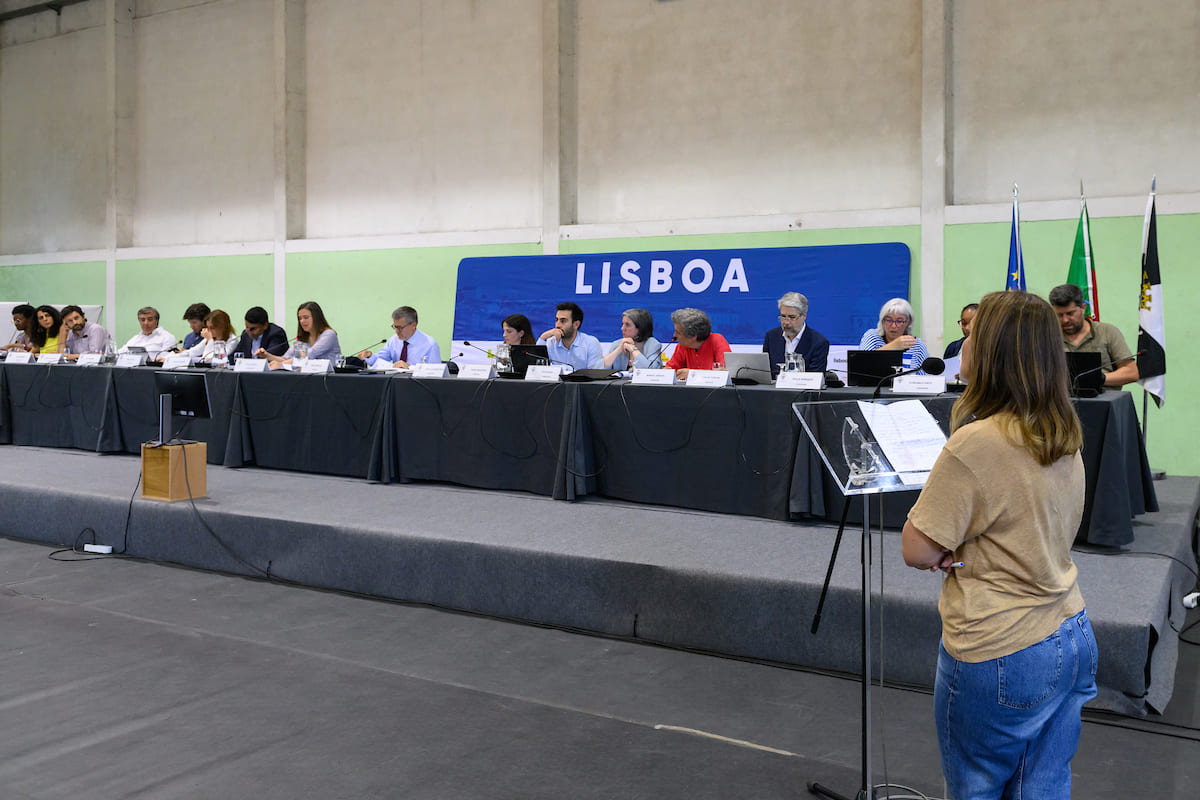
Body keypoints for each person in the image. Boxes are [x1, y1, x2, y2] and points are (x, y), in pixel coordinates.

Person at [901, 291, 1096, 800]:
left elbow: (917, 550)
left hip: (1000, 646)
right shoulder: (1062, 431)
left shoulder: (977, 443)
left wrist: (953, 546)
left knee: (976, 788)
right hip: (1069, 631)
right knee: (1043, 786)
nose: (962, 341)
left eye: (971, 334)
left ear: (991, 351)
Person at [1049, 283, 1138, 388]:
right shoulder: (1048, 336)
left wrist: (1099, 378)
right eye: (1059, 315)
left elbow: (1131, 373)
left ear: (1083, 308)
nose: (1065, 320)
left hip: (1102, 399)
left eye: (1070, 313)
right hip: (1062, 400)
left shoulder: (1107, 332)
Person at [762, 292, 830, 376]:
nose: (786, 322)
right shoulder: (771, 337)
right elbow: (766, 373)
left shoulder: (818, 342)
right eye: (783, 316)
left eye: (792, 317)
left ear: (804, 316)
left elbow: (815, 379)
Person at [259, 301, 341, 365]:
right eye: (300, 318)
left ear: (316, 318)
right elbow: (286, 358)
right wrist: (267, 355)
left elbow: (309, 355)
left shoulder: (329, 334)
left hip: (329, 379)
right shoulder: (302, 338)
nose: (302, 321)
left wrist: (281, 364)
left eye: (306, 317)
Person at [859, 297, 928, 373]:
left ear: (908, 323)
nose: (893, 326)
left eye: (899, 321)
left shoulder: (917, 344)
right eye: (889, 320)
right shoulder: (872, 336)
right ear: (882, 321)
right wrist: (893, 346)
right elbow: (861, 365)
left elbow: (926, 377)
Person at [358, 306, 440, 368]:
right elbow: (380, 361)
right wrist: (370, 356)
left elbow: (435, 374)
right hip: (395, 386)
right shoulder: (394, 340)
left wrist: (410, 368)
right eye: (395, 327)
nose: (397, 331)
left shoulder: (429, 344)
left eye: (400, 328)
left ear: (413, 325)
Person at [664, 308, 731, 380]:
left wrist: (693, 374)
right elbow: (670, 369)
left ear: (693, 336)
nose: (674, 335)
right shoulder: (682, 346)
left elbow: (726, 372)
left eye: (678, 332)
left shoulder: (717, 340)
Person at [538, 302, 603, 371]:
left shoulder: (591, 343)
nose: (557, 325)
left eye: (563, 321)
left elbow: (595, 374)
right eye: (557, 320)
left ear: (576, 324)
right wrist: (543, 337)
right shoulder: (550, 342)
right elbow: (537, 369)